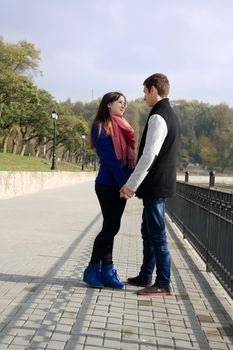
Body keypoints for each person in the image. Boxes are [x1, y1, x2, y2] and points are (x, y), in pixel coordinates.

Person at [120, 73, 180, 296]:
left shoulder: (158, 116)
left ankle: (163, 283)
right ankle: (146, 275)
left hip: (155, 185)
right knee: (148, 231)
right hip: (159, 184)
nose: (143, 96)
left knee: (157, 235)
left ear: (154, 89)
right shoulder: (170, 114)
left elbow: (149, 155)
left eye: (145, 91)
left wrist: (130, 185)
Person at [83, 91, 136, 289]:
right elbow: (109, 159)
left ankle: (106, 270)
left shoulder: (123, 126)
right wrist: (125, 183)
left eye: (125, 102)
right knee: (111, 227)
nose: (123, 105)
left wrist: (130, 183)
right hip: (107, 184)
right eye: (119, 102)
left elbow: (130, 157)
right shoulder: (100, 126)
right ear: (108, 104)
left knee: (111, 228)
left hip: (121, 185)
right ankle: (92, 269)